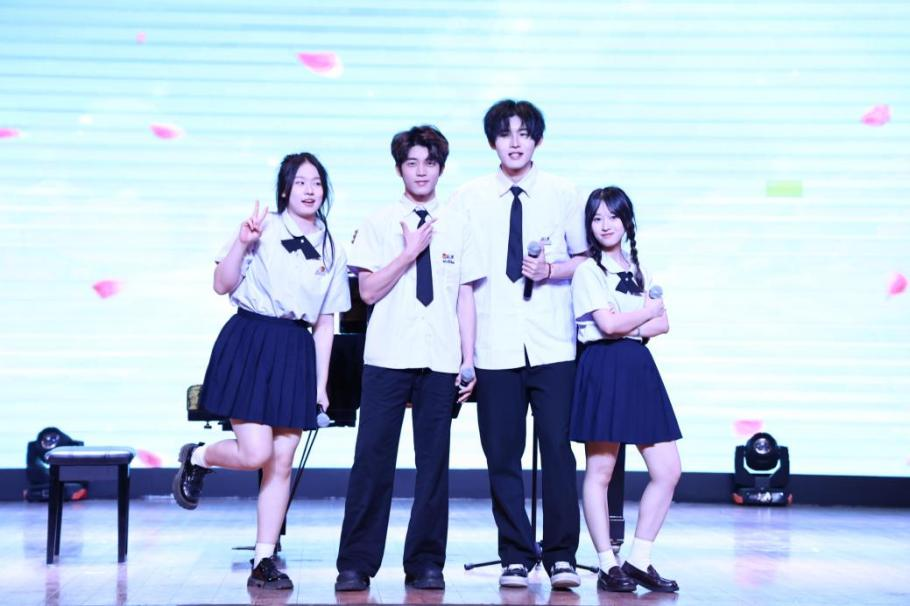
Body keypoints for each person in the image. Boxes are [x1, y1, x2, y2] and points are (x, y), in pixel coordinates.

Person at [172, 152, 351, 591]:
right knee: (256, 454)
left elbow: (325, 322)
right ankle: (198, 457)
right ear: (285, 189)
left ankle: (264, 559)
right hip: (251, 339)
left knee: (282, 461)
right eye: (300, 182)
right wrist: (241, 242)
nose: (310, 190)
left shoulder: (332, 245)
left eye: (317, 182)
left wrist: (321, 385)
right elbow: (222, 284)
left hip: (295, 349)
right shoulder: (263, 227)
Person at [334, 125, 483, 592]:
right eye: (412, 163)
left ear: (441, 168)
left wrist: (469, 359)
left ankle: (425, 562)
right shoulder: (378, 222)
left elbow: (465, 296)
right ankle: (356, 563)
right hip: (387, 354)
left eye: (430, 163)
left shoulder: (459, 224)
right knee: (372, 461)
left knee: (433, 465)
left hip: (441, 358)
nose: (421, 172)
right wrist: (408, 252)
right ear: (399, 168)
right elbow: (368, 291)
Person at [449, 99, 585, 589]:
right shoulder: (468, 197)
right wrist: (465, 355)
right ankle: (515, 553)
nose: (514, 142)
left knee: (559, 452)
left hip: (552, 344)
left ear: (537, 140)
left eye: (524, 133)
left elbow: (585, 260)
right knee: (502, 454)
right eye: (505, 133)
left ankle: (562, 555)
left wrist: (551, 270)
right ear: (492, 141)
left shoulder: (563, 193)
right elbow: (458, 274)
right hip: (495, 345)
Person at [570, 186, 681, 593]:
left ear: (626, 220)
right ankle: (606, 563)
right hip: (604, 366)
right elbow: (608, 325)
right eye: (597, 218)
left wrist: (630, 321)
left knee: (668, 470)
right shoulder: (588, 272)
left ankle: (639, 559)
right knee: (600, 470)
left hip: (638, 368)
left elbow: (662, 324)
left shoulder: (639, 269)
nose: (605, 225)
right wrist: (643, 315)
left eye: (612, 216)